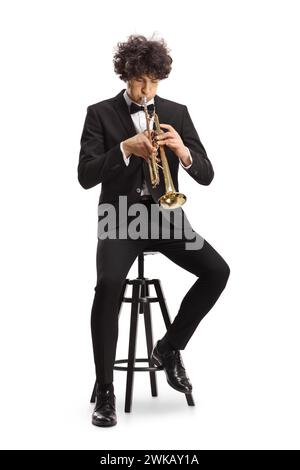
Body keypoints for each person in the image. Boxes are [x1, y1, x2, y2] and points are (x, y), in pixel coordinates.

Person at [78, 34, 230, 427]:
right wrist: (125, 148)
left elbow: (208, 174)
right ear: (125, 75)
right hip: (120, 218)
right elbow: (85, 176)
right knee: (109, 283)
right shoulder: (100, 113)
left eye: (154, 81)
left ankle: (168, 348)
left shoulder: (176, 113)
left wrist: (184, 152)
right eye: (139, 81)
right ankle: (106, 390)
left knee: (218, 272)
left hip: (166, 216)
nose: (147, 90)